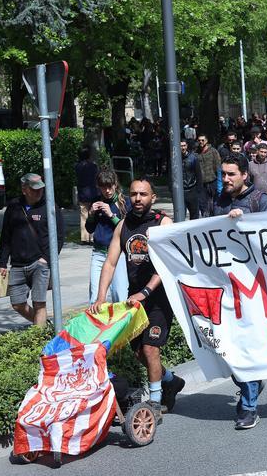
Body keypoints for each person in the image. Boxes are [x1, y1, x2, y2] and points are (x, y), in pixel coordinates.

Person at [90, 177, 185, 416]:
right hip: (135, 301)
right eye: (134, 194)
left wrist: (145, 292)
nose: (138, 199)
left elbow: (166, 265)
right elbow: (110, 263)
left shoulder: (162, 223)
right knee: (139, 353)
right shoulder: (122, 225)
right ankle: (170, 380)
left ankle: (155, 401)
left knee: (151, 349)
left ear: (153, 197)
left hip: (158, 298)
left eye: (143, 194)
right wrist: (100, 297)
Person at [214, 154, 267, 429]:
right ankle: (249, 384)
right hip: (223, 285)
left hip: (254, 287)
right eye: (223, 174)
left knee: (245, 345)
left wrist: (245, 220)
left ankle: (249, 406)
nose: (225, 179)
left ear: (244, 176)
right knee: (224, 347)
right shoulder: (217, 200)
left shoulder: (261, 199)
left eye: (230, 174)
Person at [0, 173, 65, 327]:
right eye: (34, 189)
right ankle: (45, 326)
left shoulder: (50, 206)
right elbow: (5, 236)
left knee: (39, 303)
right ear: (24, 189)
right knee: (17, 303)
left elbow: (59, 236)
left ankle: (39, 340)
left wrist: (46, 259)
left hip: (40, 264)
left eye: (41, 189)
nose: (38, 192)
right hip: (17, 265)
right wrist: (2, 262)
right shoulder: (13, 207)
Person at [86, 169, 130, 304]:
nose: (107, 191)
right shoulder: (96, 201)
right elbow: (89, 229)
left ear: (115, 185)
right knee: (95, 297)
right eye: (103, 187)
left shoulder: (124, 203)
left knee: (119, 295)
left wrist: (111, 215)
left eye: (109, 187)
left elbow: (127, 230)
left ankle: (120, 324)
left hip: (118, 254)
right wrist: (92, 214)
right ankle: (97, 324)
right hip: (99, 253)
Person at [75, 149, 99, 244]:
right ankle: (92, 236)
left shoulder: (77, 166)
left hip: (82, 192)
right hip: (93, 192)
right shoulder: (93, 166)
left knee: (83, 215)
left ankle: (84, 238)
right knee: (93, 214)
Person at [197, 135, 221, 217]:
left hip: (213, 180)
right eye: (199, 140)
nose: (201, 142)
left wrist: (219, 182)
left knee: (215, 203)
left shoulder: (213, 151)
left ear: (206, 141)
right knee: (203, 204)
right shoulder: (197, 152)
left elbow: (218, 166)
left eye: (202, 140)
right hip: (202, 183)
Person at [181, 140, 202, 219]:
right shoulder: (174, 158)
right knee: (180, 215)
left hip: (192, 190)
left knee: (194, 215)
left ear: (186, 146)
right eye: (181, 146)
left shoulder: (193, 158)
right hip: (181, 191)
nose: (182, 148)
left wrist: (198, 189)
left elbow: (198, 174)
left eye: (184, 145)